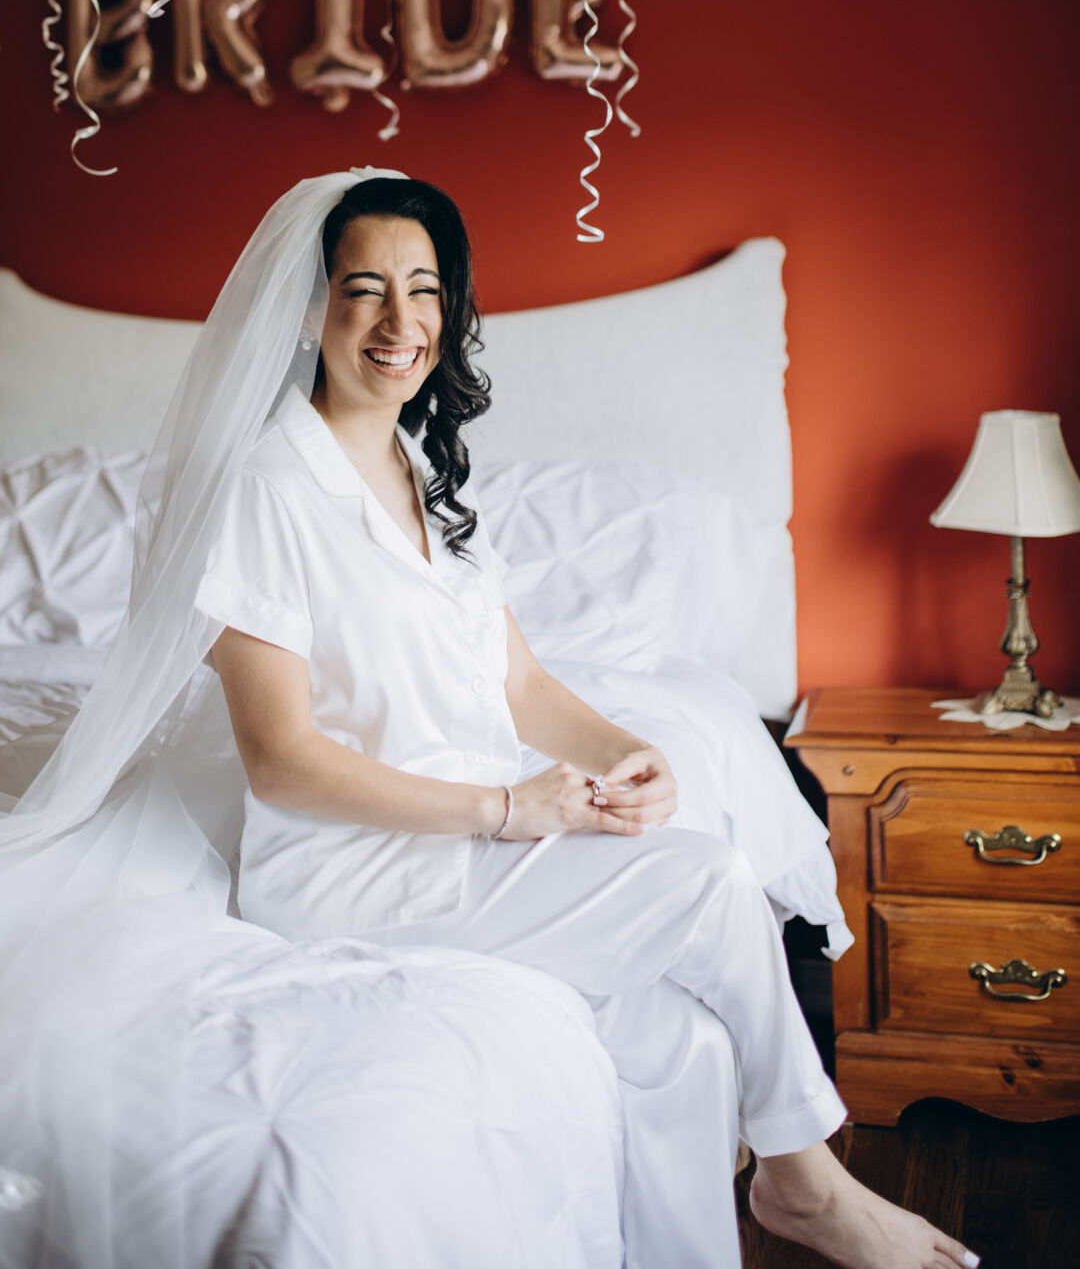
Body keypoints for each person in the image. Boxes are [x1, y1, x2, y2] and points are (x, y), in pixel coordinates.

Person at [201, 173, 980, 1269]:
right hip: (352, 873)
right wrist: (508, 808)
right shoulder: (265, 486)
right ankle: (807, 1183)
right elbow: (279, 761)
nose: (398, 321)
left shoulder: (423, 468)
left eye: (424, 290)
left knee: (679, 1044)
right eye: (363, 288)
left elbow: (517, 682)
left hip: (465, 850)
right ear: (308, 309)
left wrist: (627, 749)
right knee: (709, 879)